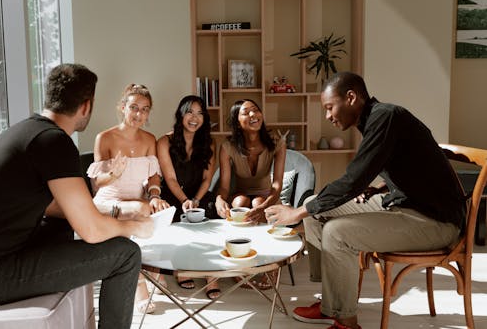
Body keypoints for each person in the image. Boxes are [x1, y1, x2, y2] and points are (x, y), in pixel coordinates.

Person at [264, 72, 465, 329]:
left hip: (435, 221)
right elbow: (413, 167)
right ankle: (332, 304)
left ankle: (346, 323)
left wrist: (297, 213)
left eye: (329, 107)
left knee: (335, 231)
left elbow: (353, 179)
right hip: (402, 203)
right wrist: (378, 187)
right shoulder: (376, 120)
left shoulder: (385, 117)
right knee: (316, 210)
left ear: (350, 97)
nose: (327, 116)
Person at [0, 64, 153, 329]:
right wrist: (134, 227)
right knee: (126, 254)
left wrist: (117, 213)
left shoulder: (29, 133)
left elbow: (56, 208)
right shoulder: (55, 142)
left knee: (60, 226)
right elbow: (92, 232)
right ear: (86, 106)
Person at [87, 83, 169, 314]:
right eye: (134, 107)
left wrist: (154, 196)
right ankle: (140, 286)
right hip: (109, 202)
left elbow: (154, 178)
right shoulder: (104, 138)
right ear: (122, 107)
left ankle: (153, 270)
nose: (139, 114)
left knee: (158, 209)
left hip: (138, 203)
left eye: (145, 109)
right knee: (141, 211)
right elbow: (97, 183)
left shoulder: (149, 139)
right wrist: (113, 173)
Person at [215, 98, 286, 290]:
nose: (253, 115)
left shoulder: (276, 141)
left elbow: (277, 184)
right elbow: (223, 186)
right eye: (246, 112)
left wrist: (264, 205)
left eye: (256, 110)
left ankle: (268, 264)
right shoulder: (228, 146)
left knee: (258, 204)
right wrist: (219, 199)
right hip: (241, 193)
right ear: (237, 121)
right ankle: (242, 264)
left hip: (267, 195)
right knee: (239, 201)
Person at [157, 95, 220, 299]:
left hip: (198, 193)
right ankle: (183, 268)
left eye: (200, 113)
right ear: (180, 115)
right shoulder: (164, 141)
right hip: (174, 193)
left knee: (213, 217)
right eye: (190, 112)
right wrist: (185, 200)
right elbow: (170, 178)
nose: (195, 117)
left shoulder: (209, 143)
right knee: (175, 218)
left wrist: (196, 200)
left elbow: (206, 180)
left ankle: (212, 274)